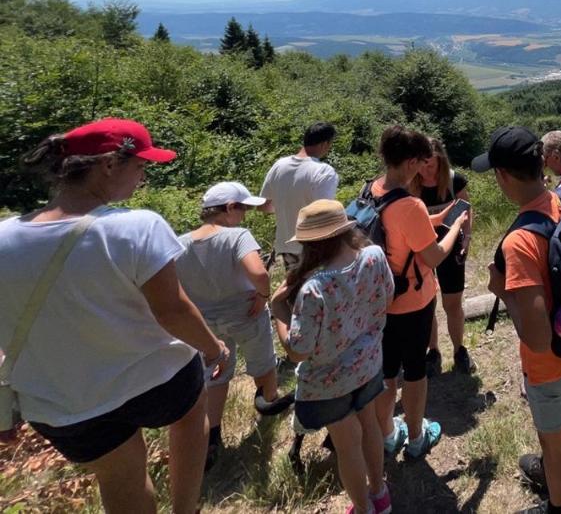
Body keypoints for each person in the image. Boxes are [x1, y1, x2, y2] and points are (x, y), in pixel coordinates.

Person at [0, 119, 231, 514]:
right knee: (193, 403)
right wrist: (214, 350)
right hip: (154, 382)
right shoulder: (137, 226)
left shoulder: (5, 237)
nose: (142, 178)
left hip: (62, 404)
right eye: (140, 167)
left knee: (120, 478)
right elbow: (172, 311)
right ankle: (185, 508)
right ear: (108, 164)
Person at [475, 126, 561, 514]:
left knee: (557, 442)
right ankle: (548, 468)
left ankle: (560, 504)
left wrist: (502, 292)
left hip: (549, 362)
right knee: (553, 434)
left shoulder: (519, 242)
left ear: (502, 176)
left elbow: (537, 338)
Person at [270, 199, 394, 514]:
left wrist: (278, 312)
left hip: (328, 382)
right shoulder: (374, 256)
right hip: (368, 365)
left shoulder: (314, 288)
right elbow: (387, 296)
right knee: (370, 426)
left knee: (347, 444)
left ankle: (363, 508)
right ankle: (380, 495)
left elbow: (298, 351)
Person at [174, 180, 294, 471]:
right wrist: (263, 295)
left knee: (216, 375)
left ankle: (212, 438)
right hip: (245, 313)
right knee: (263, 363)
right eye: (242, 209)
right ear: (229, 209)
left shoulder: (180, 242)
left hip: (206, 322)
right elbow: (259, 274)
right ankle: (269, 405)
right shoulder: (237, 235)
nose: (244, 216)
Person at [370, 127, 469, 461]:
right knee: (414, 373)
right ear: (411, 161)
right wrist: (454, 227)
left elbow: (400, 222)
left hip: (382, 298)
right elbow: (434, 256)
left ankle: (387, 436)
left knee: (386, 373)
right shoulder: (410, 204)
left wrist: (437, 216)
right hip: (412, 300)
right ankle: (415, 438)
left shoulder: (374, 188)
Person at [410, 138, 474, 376]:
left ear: (441, 160)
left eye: (432, 165)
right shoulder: (411, 184)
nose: (427, 171)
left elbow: (465, 208)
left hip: (452, 248)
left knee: (452, 303)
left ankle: (459, 350)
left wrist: (466, 238)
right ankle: (433, 351)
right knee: (426, 303)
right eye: (423, 165)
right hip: (421, 248)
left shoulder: (453, 179)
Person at [259, 122, 339, 270]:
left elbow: (264, 206)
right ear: (325, 144)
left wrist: (286, 208)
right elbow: (324, 214)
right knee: (313, 290)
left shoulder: (279, 165)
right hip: (312, 248)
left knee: (294, 287)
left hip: (285, 246)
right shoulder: (324, 172)